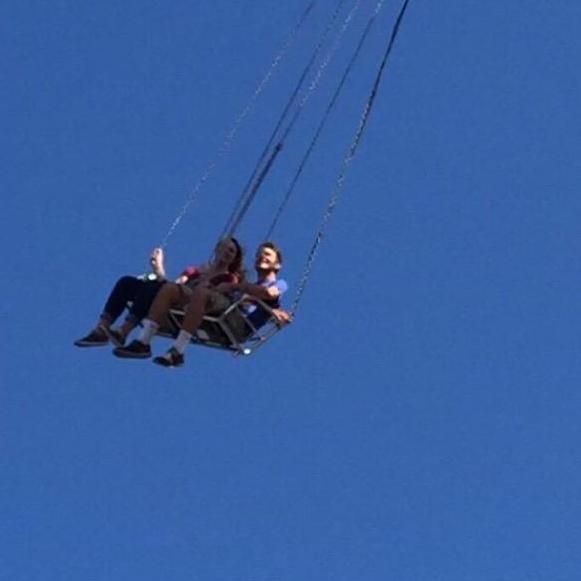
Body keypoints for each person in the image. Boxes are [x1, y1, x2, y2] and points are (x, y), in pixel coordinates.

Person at [114, 241, 290, 367]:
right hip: (222, 316)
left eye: (267, 254)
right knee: (173, 291)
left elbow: (269, 293)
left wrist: (235, 286)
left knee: (203, 293)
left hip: (238, 324)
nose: (261, 256)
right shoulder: (246, 287)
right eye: (259, 253)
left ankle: (178, 350)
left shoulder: (279, 283)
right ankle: (143, 342)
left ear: (277, 264)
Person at [74, 238, 244, 348]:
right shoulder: (195, 271)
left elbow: (210, 297)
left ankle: (124, 331)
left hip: (194, 304)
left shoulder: (229, 278)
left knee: (154, 286)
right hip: (177, 296)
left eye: (232, 252)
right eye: (226, 248)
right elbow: (176, 285)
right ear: (217, 248)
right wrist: (159, 269)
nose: (228, 253)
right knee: (127, 283)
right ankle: (101, 328)